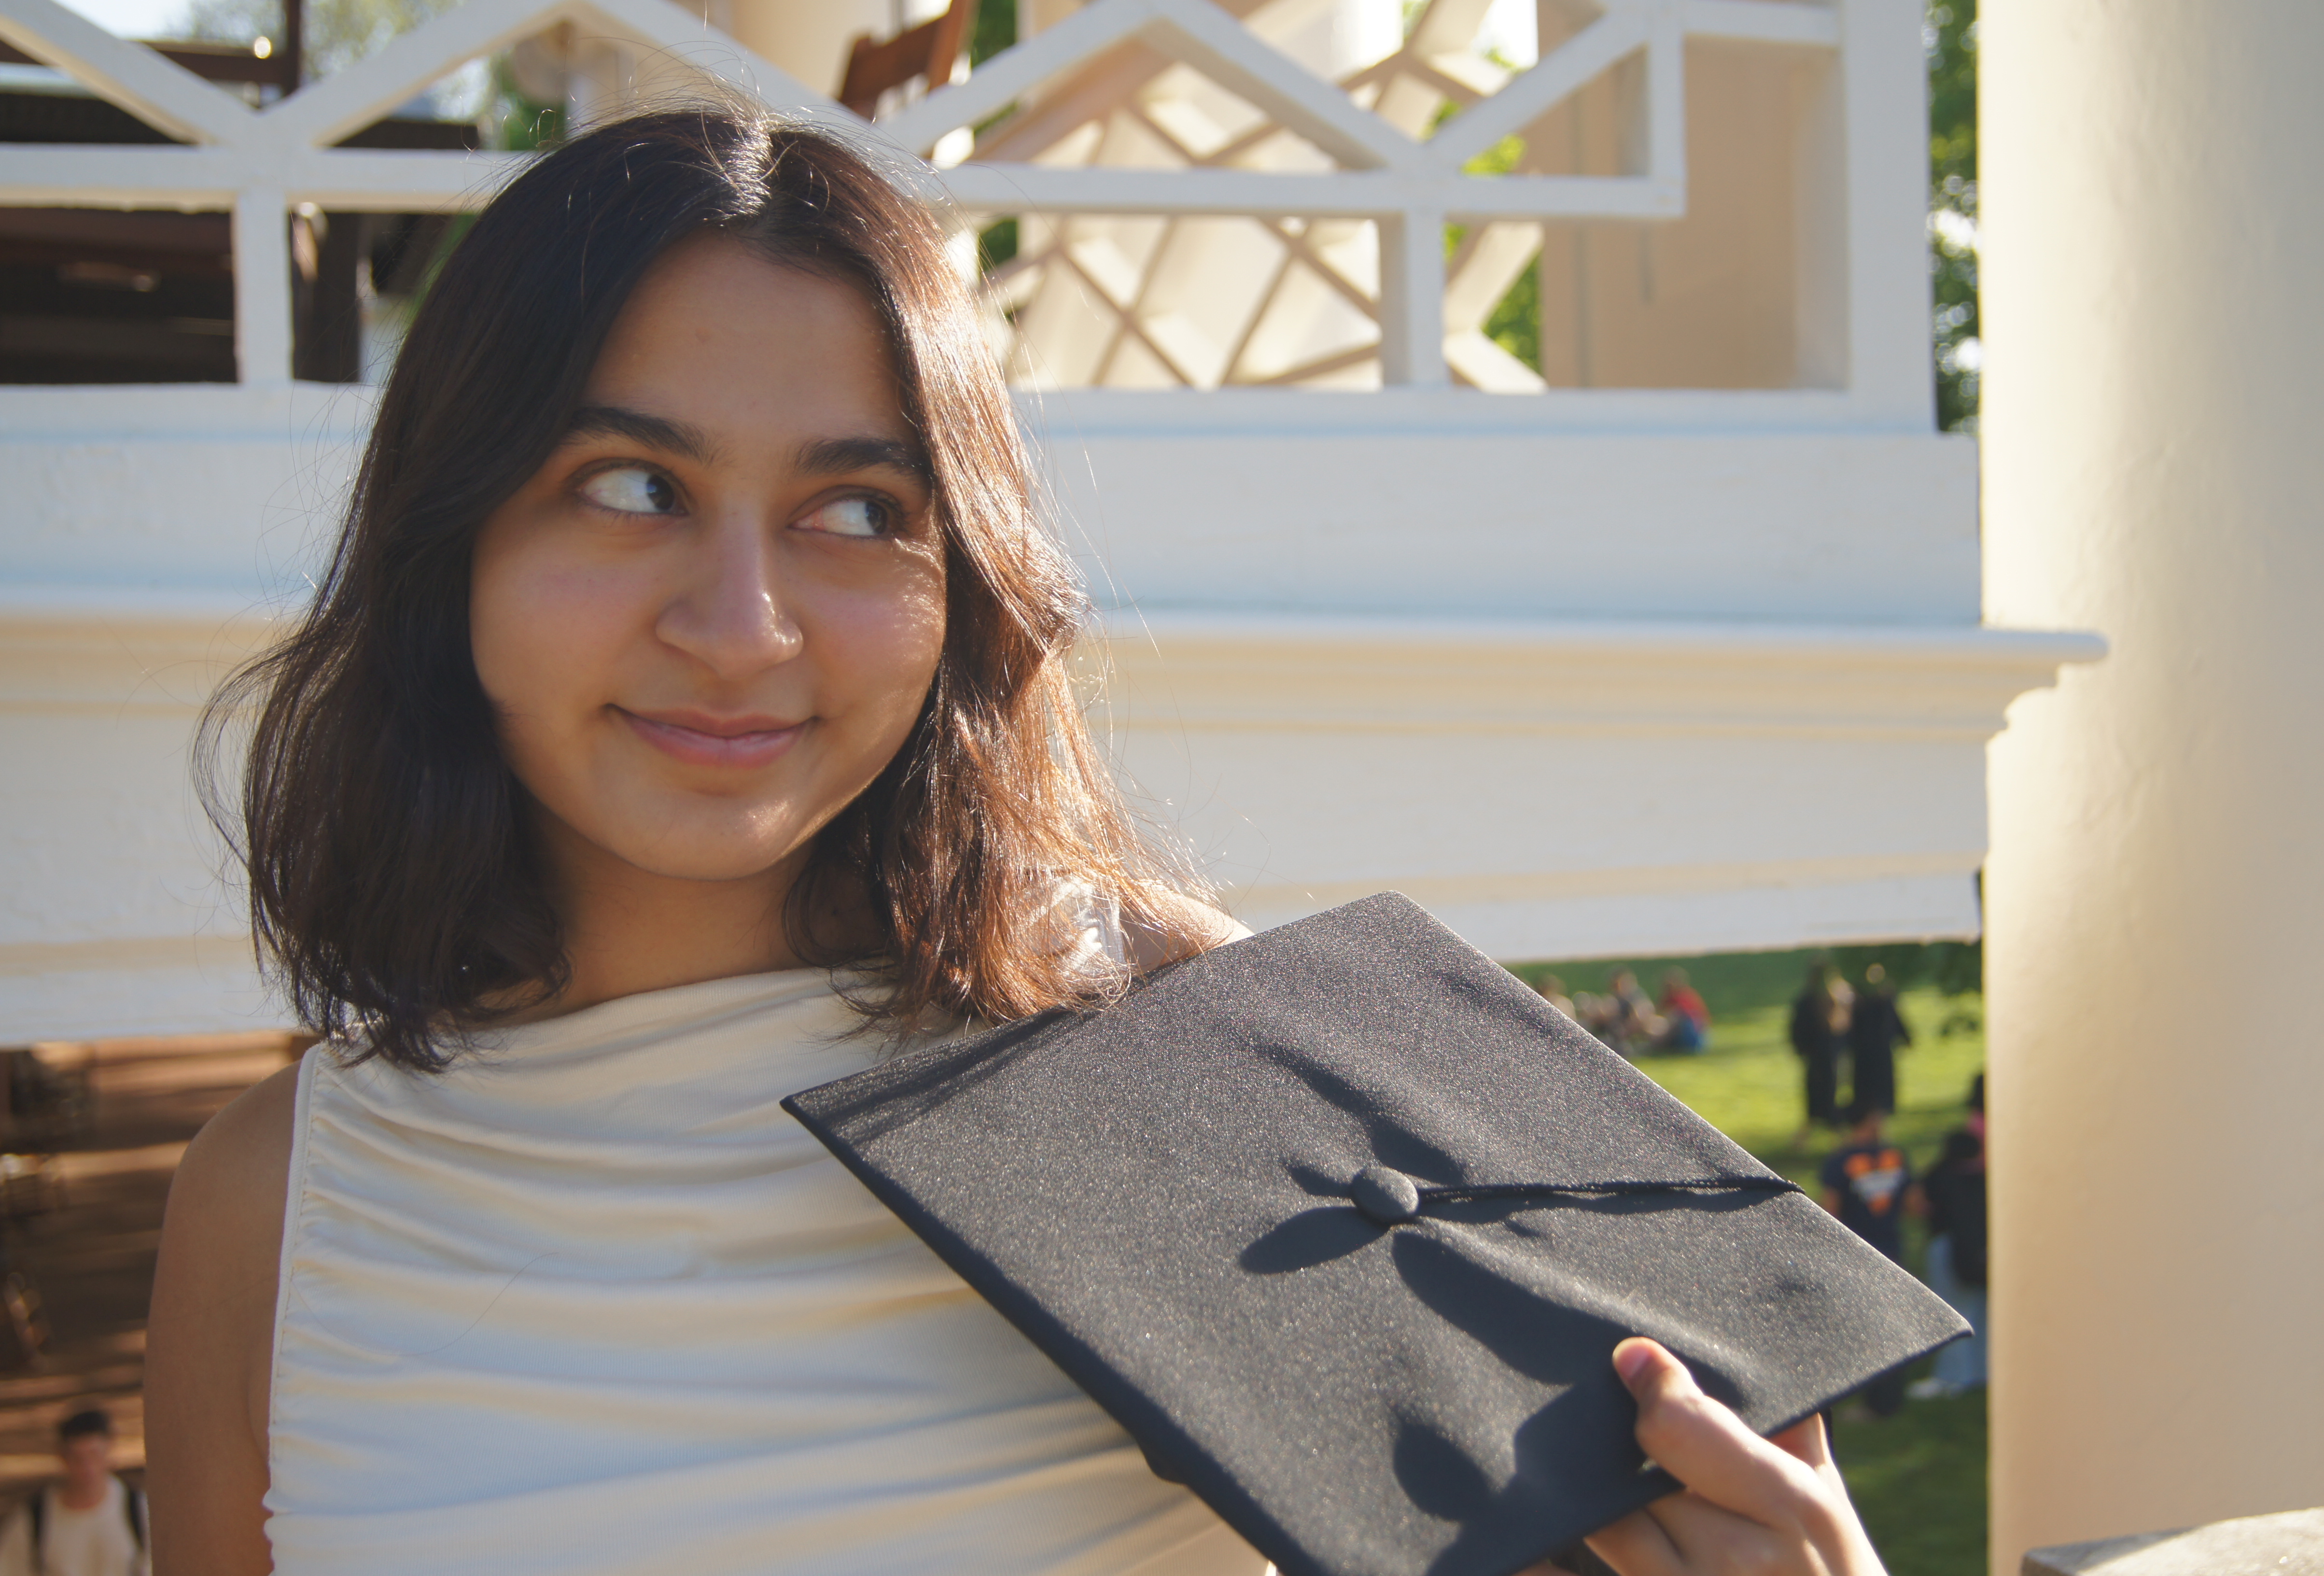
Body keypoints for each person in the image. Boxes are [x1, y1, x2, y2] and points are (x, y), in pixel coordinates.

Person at [143, 105, 1890, 1576]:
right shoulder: (275, 1206)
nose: (743, 626)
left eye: (855, 509)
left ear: (963, 581)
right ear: (451, 539)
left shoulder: (1206, 1048)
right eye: (630, 485)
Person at [1818, 1102, 1913, 1420]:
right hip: (1892, 1249)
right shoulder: (1895, 1156)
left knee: (1867, 1329)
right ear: (1871, 1120)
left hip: (1857, 1253)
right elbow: (1914, 1204)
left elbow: (1830, 1211)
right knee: (1892, 1326)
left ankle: (1875, 1402)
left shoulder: (1840, 1161)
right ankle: (1890, 1397)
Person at [0, 1409, 148, 1576]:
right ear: (63, 1456)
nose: (87, 1468)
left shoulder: (140, 1511)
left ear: (109, 1450)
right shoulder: (35, 1518)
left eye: (94, 1455)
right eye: (78, 1459)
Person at [1910, 1123, 1988, 1399]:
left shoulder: (1939, 1175)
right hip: (1982, 1251)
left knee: (1951, 1315)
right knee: (1981, 1312)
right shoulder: (1985, 1179)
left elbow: (1919, 1207)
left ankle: (1952, 1377)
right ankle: (1981, 1372)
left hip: (1946, 1248)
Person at [1845, 963, 1912, 1115]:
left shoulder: (1883, 1001)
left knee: (1881, 1082)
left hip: (1878, 1049)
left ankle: (1882, 1107)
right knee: (1870, 1083)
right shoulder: (1864, 1003)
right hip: (1868, 1050)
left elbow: (1895, 1020)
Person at [1787, 961, 1841, 1144]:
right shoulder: (1828, 1001)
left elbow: (1797, 1030)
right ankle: (1830, 1134)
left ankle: (1813, 1134)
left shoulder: (1809, 1001)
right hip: (1825, 1056)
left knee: (1819, 1096)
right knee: (1826, 1095)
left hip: (1818, 1056)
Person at [1655, 968, 1710, 1052]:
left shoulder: (1684, 997)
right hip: (1687, 1037)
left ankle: (1654, 1046)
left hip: (1694, 1038)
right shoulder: (1669, 998)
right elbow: (1659, 1012)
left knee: (1676, 1019)